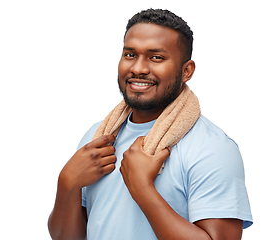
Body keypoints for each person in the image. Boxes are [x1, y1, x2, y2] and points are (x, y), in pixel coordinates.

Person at [48, 9, 253, 240]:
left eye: (156, 57)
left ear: (187, 71)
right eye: (130, 54)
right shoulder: (97, 139)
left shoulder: (212, 148)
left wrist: (143, 190)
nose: (138, 68)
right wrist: (67, 183)